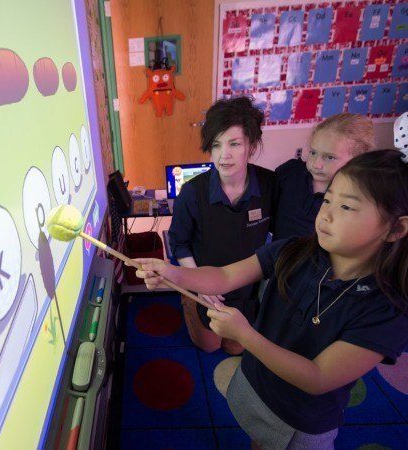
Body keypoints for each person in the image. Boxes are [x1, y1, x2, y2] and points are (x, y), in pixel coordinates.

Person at [134, 150, 408, 449]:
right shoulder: (295, 250)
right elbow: (225, 277)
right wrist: (173, 274)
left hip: (301, 419)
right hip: (257, 382)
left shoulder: (388, 309)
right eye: (327, 199)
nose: (326, 213)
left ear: (396, 228)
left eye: (346, 206)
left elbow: (318, 377)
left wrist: (244, 335)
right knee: (260, 441)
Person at [168, 96, 274, 354]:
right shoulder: (192, 193)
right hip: (203, 280)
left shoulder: (271, 185)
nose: (223, 155)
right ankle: (187, 297)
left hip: (244, 285)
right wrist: (198, 286)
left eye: (234, 144)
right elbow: (179, 243)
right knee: (209, 345)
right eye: (216, 145)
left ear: (251, 145)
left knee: (235, 348)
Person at [273, 113, 374, 240]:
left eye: (329, 157)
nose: (316, 164)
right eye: (313, 152)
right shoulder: (289, 173)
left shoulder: (360, 195)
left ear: (358, 159)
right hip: (277, 257)